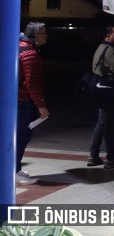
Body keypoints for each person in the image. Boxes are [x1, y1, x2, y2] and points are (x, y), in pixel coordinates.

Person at [88, 26, 114, 169]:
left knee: (101, 124)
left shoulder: (101, 48)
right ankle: (111, 158)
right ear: (108, 36)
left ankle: (93, 156)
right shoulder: (110, 50)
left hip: (100, 90)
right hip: (108, 92)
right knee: (109, 126)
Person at [17, 22, 50, 185]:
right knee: (22, 137)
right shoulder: (30, 53)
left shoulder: (17, 46)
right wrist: (41, 105)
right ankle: (15, 172)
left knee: (16, 137)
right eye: (44, 32)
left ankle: (13, 168)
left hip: (14, 100)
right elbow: (32, 83)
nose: (47, 35)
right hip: (23, 101)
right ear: (36, 35)